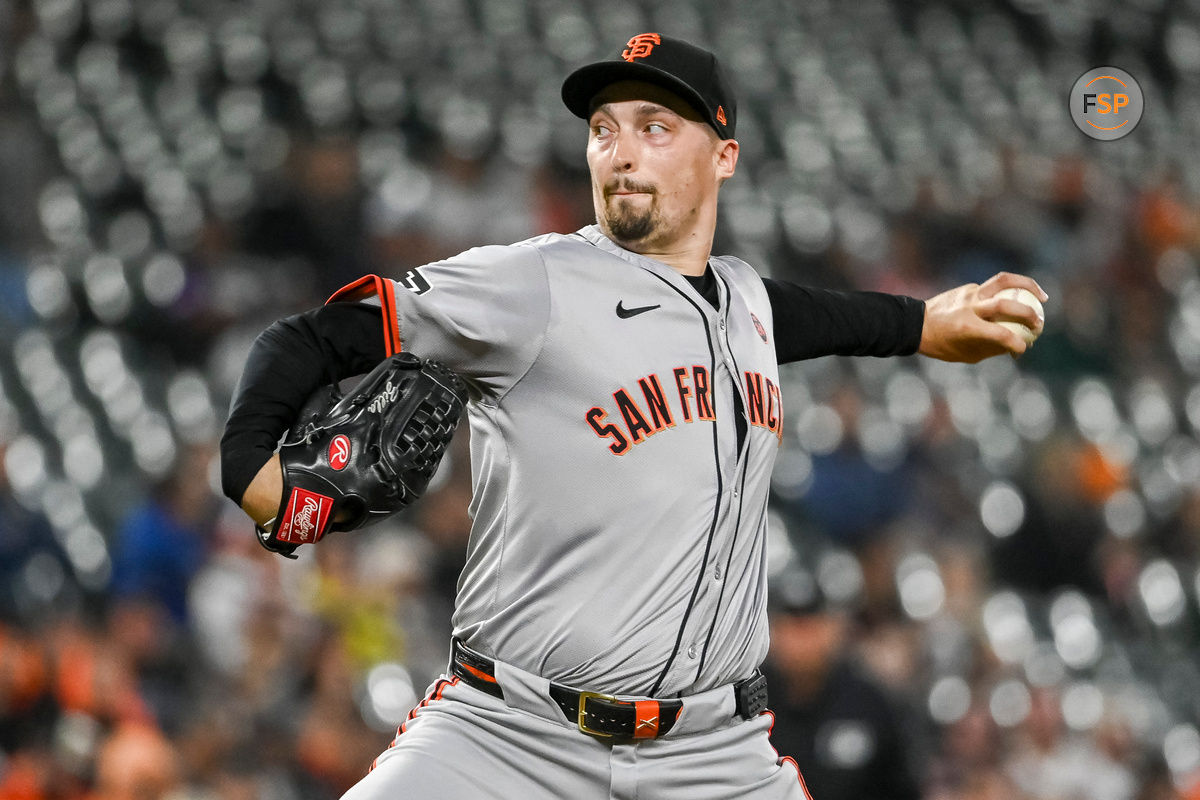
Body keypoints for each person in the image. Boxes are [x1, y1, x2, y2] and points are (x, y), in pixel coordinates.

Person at [220, 33, 1046, 799]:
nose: (619, 151)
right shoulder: (536, 284)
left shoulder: (749, 304)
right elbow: (313, 337)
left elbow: (812, 316)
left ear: (723, 156)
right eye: (604, 129)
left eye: (655, 127)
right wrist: (253, 474)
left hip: (715, 753)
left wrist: (923, 325)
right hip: (511, 735)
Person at [764, 565, 921, 800]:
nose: (802, 641)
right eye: (792, 628)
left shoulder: (870, 704)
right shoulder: (749, 706)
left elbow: (902, 787)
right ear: (772, 632)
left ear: (833, 628)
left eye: (811, 626)